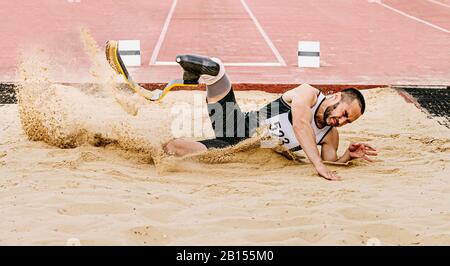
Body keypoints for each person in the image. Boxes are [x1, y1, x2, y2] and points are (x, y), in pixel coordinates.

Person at [164, 54, 378, 181]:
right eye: (344, 114)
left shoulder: (330, 135)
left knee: (176, 149)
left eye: (348, 122)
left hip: (240, 150)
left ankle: (214, 75)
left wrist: (347, 157)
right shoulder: (308, 93)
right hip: (241, 127)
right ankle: (215, 72)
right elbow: (301, 124)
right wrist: (317, 166)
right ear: (337, 96)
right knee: (224, 121)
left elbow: (328, 162)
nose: (341, 121)